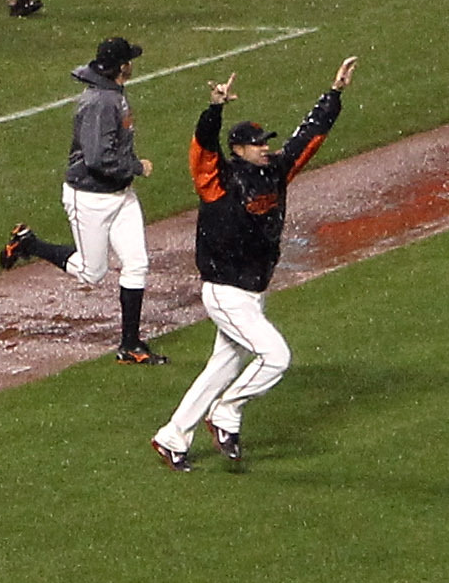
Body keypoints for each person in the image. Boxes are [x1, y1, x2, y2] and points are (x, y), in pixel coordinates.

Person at [149, 56, 357, 471]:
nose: (266, 148)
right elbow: (202, 147)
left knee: (223, 364)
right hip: (225, 289)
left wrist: (333, 95)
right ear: (239, 149)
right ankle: (226, 414)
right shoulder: (217, 180)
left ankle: (172, 437)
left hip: (252, 291)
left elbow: (308, 137)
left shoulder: (276, 171)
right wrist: (214, 108)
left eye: (266, 142)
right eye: (258, 143)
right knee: (276, 357)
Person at [0, 38, 165, 363]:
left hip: (120, 194)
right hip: (89, 197)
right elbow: (96, 158)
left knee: (137, 264)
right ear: (121, 67)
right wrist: (135, 167)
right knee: (92, 272)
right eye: (128, 60)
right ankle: (29, 244)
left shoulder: (112, 93)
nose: (132, 64)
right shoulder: (100, 102)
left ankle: (130, 344)